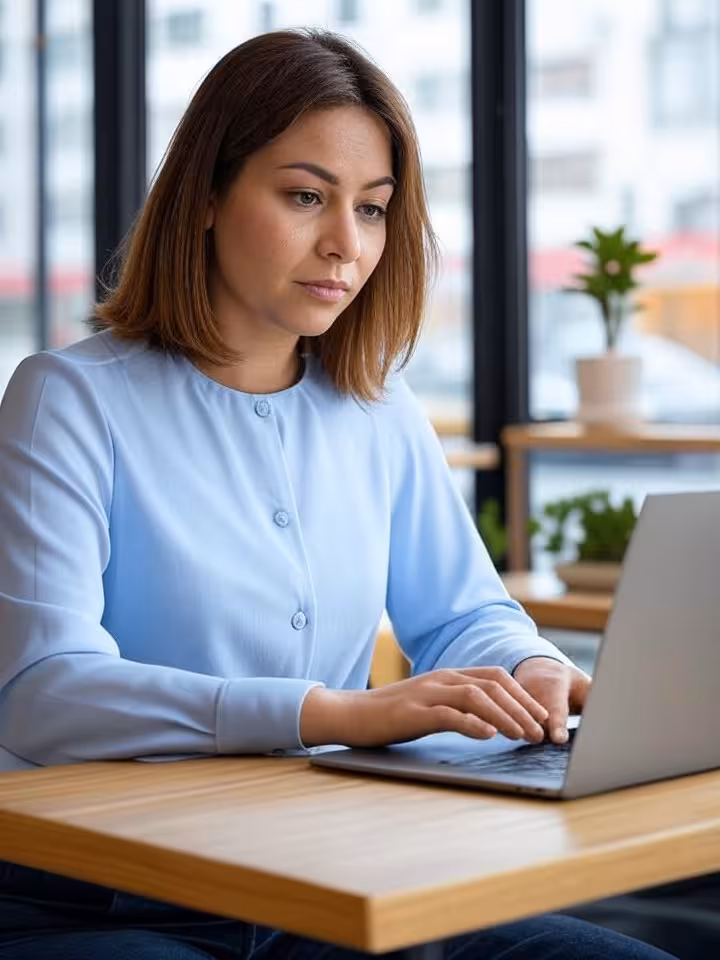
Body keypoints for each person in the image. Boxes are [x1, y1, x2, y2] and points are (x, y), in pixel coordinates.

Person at [0, 28, 678, 960]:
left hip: (322, 883)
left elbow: (464, 613)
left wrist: (527, 671)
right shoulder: (67, 397)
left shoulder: (374, 407)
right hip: (108, 899)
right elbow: (44, 691)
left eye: (373, 208)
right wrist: (332, 713)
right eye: (306, 196)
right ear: (204, 195)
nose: (344, 246)